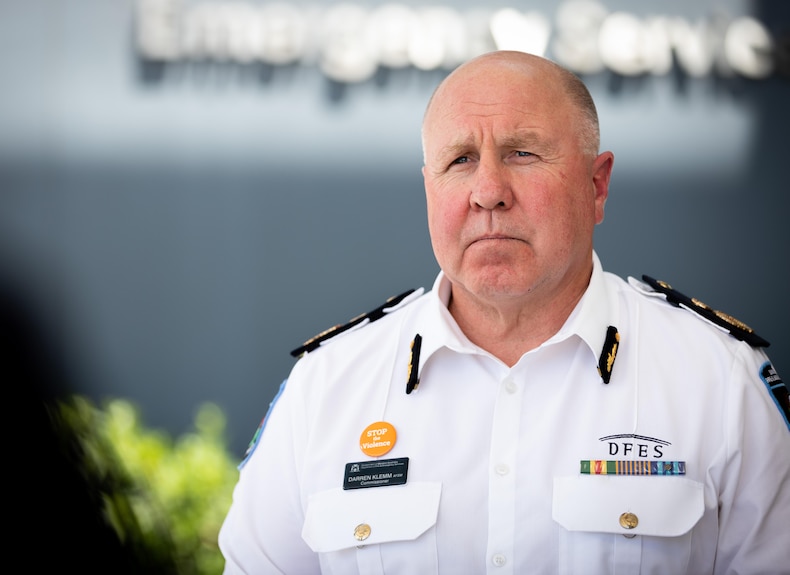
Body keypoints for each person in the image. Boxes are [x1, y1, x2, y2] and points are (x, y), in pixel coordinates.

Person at [218, 51, 790, 574]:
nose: (488, 190)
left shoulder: (719, 380)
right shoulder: (327, 387)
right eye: (460, 160)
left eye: (522, 153)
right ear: (429, 191)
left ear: (597, 186)